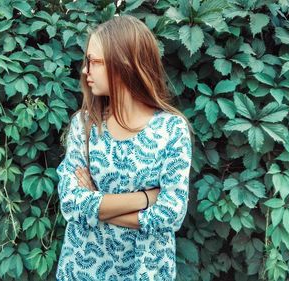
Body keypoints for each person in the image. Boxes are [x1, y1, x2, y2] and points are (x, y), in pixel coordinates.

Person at [55, 15, 193, 280]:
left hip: (146, 271)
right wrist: (145, 198)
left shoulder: (171, 131)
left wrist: (96, 201)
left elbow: (170, 216)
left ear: (124, 64)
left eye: (94, 62)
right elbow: (71, 204)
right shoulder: (84, 125)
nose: (85, 71)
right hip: (84, 271)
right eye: (87, 61)